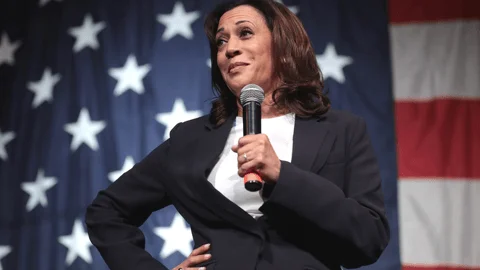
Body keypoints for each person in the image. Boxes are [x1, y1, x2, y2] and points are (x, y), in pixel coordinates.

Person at [85, 0, 390, 269]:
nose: (229, 49)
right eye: (220, 42)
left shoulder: (342, 130)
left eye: (245, 33)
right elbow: (106, 213)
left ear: (283, 45)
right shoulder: (189, 140)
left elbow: (368, 239)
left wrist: (283, 176)